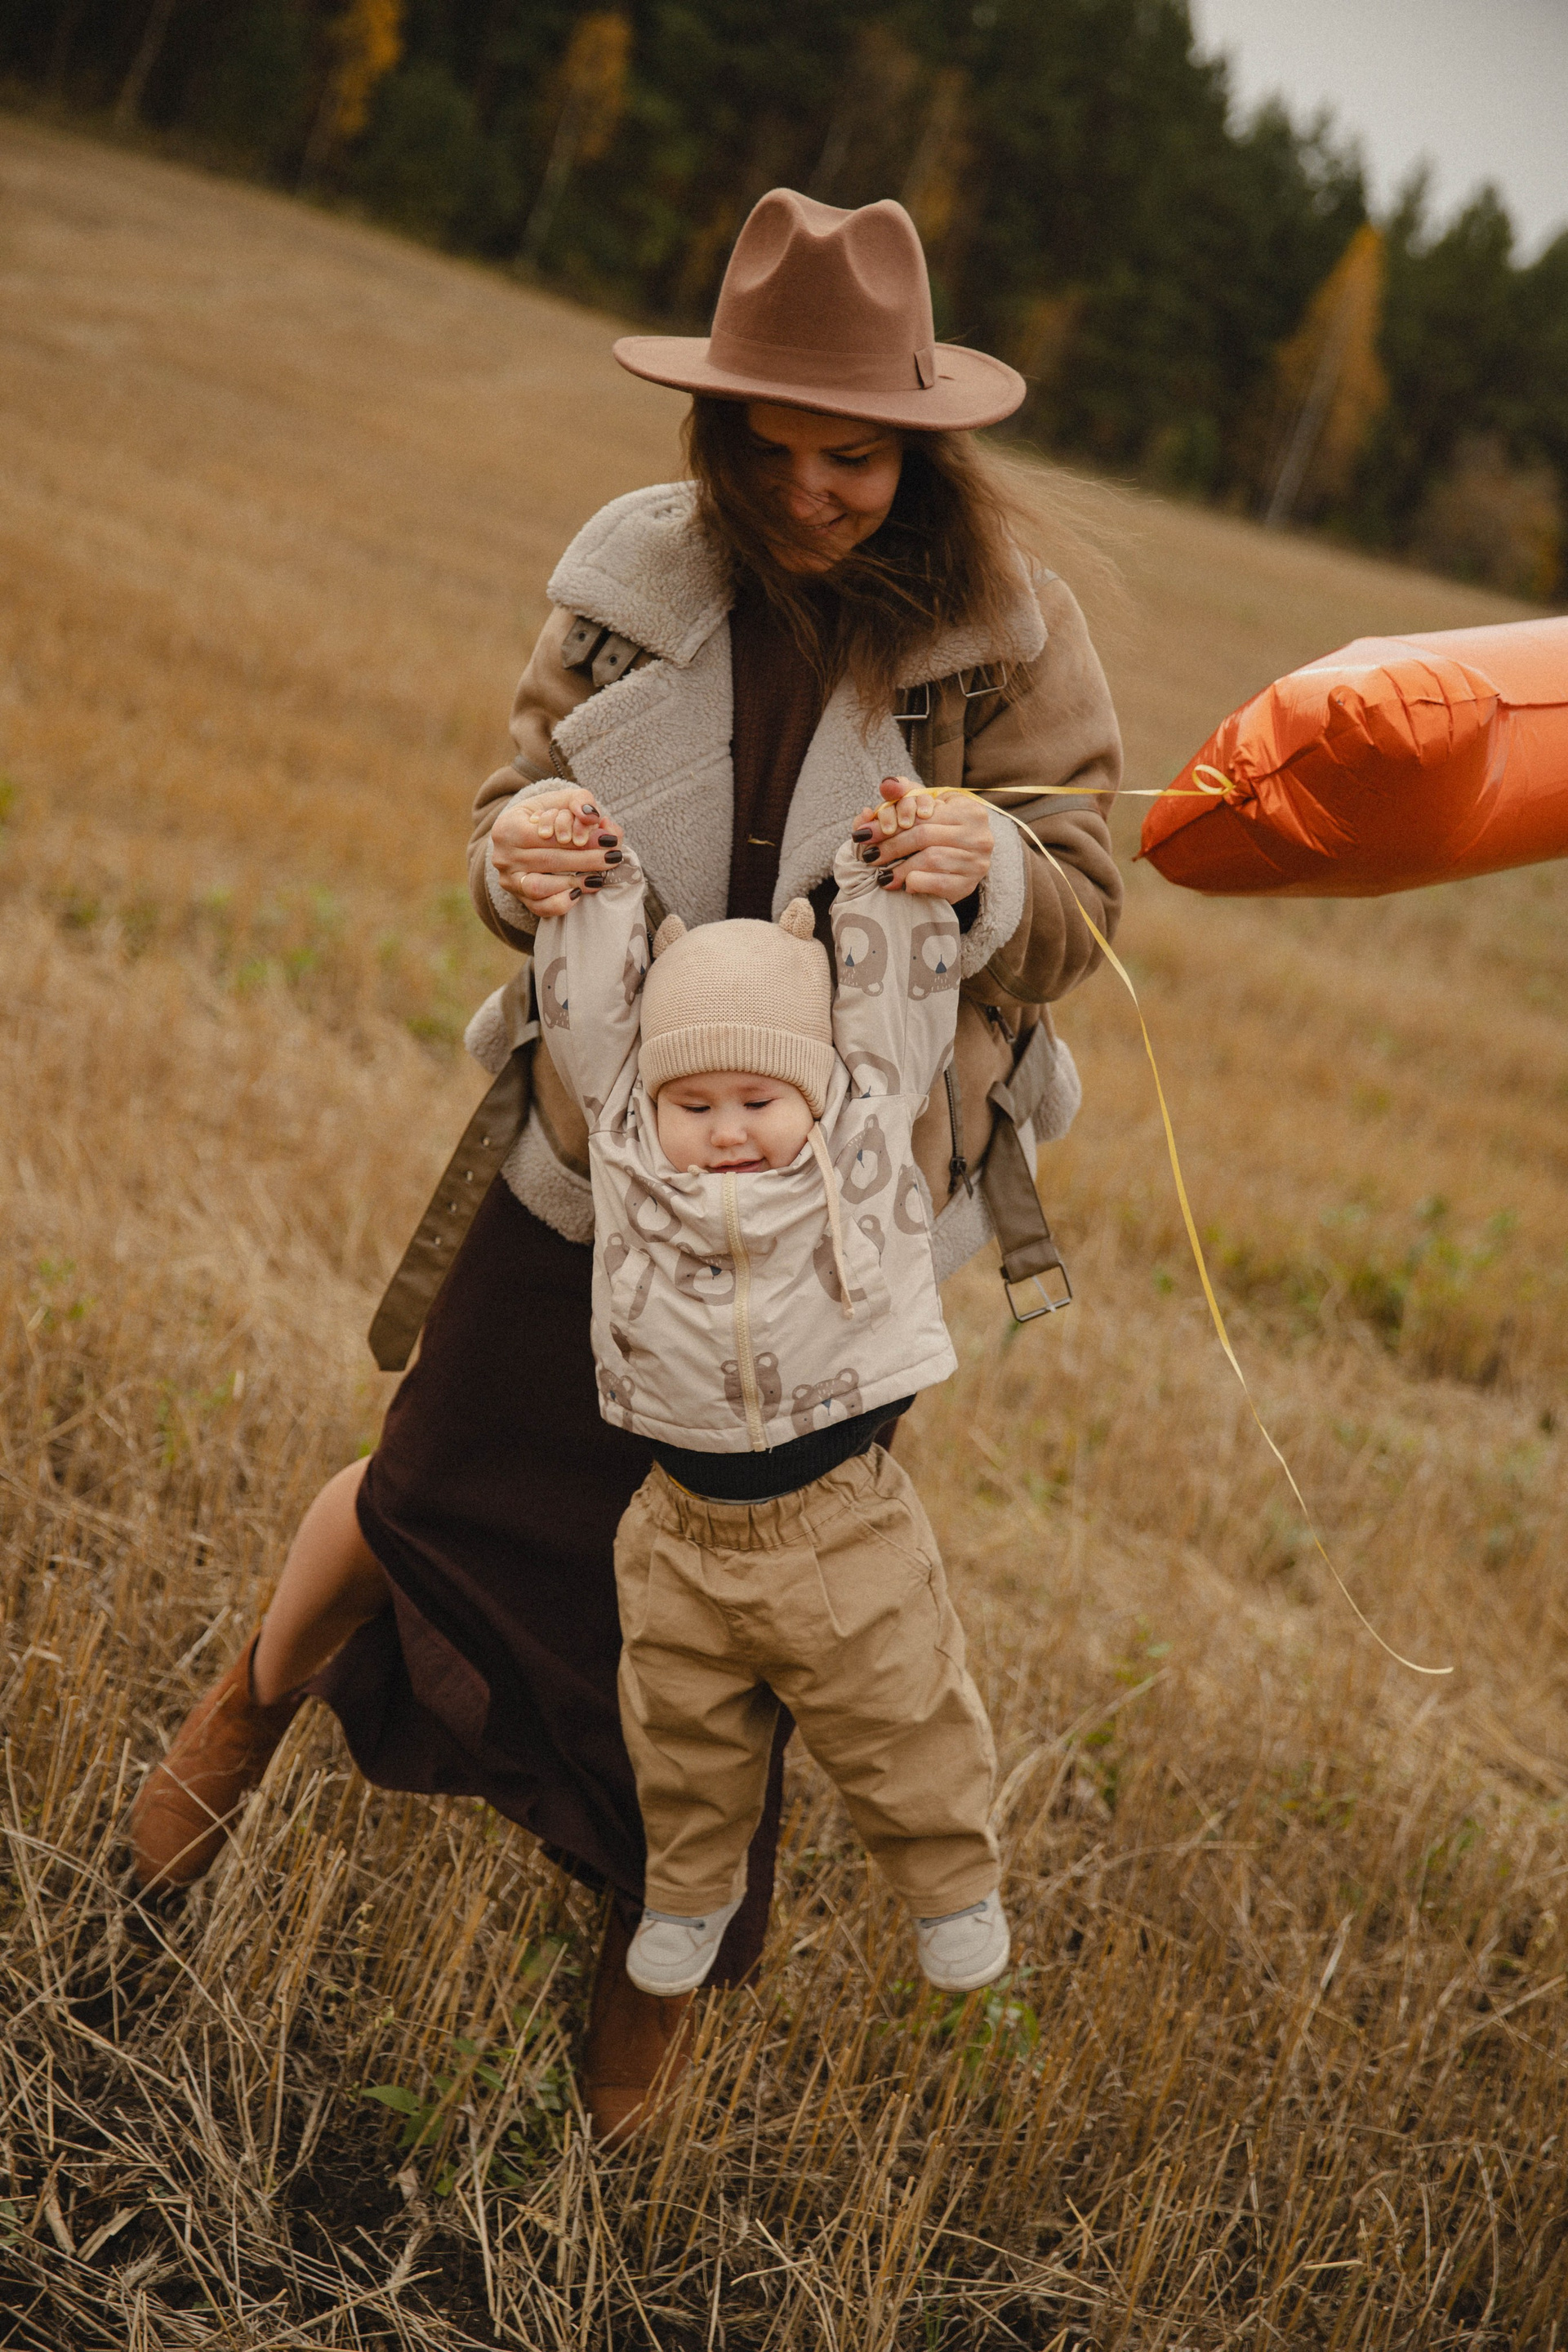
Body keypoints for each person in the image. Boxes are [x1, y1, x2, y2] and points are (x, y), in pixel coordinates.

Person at [128, 188, 1124, 2142]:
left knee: (753, 1624)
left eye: (857, 458)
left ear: (921, 452)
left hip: (829, 1235)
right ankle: (219, 1754)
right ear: (720, 428)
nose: (814, 493)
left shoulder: (1009, 636)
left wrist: (995, 865)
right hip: (588, 1163)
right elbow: (511, 813)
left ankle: (620, 2102)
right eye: (777, 448)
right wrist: (511, 861)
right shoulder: (628, 582)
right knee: (427, 1486)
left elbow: (1082, 904)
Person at [530, 804, 1009, 2001]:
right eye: (695, 1106)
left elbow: (900, 1008)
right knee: (680, 1739)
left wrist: (890, 880)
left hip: (840, 1522)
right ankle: (691, 1893)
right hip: (677, 1529)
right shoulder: (631, 1151)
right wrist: (593, 883)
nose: (728, 1132)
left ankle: (952, 1885)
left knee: (902, 1715)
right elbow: (588, 1018)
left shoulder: (862, 1129)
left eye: (758, 1099)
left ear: (816, 1088)